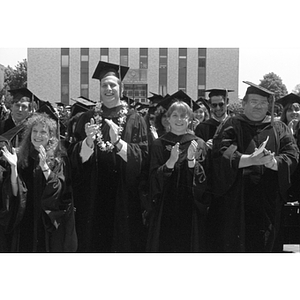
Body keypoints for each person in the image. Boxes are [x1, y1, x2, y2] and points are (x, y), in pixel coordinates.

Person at [208, 81, 299, 252]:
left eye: (263, 102)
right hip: (237, 202)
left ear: (269, 105)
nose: (259, 106)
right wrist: (251, 159)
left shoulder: (279, 128)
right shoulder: (231, 125)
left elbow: (292, 155)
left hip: (269, 202)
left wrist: (274, 163)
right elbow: (221, 154)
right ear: (244, 104)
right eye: (254, 101)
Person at [69, 61, 148, 252]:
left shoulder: (134, 118)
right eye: (104, 85)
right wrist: (87, 142)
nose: (108, 89)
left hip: (124, 195)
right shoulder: (87, 118)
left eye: (113, 85)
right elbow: (73, 156)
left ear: (120, 88)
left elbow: (144, 156)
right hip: (92, 193)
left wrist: (118, 143)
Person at [0, 113, 77, 252]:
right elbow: (16, 193)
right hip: (25, 218)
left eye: (43, 132)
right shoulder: (22, 157)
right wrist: (13, 167)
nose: (37, 135)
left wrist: (45, 167)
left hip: (45, 221)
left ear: (50, 136)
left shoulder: (59, 158)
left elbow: (60, 190)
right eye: (34, 131)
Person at [146, 99, 209, 252]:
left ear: (190, 119)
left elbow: (205, 184)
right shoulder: (158, 144)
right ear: (168, 118)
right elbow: (151, 180)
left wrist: (191, 161)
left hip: (191, 210)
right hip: (164, 208)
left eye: (183, 116)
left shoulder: (199, 144)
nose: (179, 120)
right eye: (175, 115)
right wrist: (170, 162)